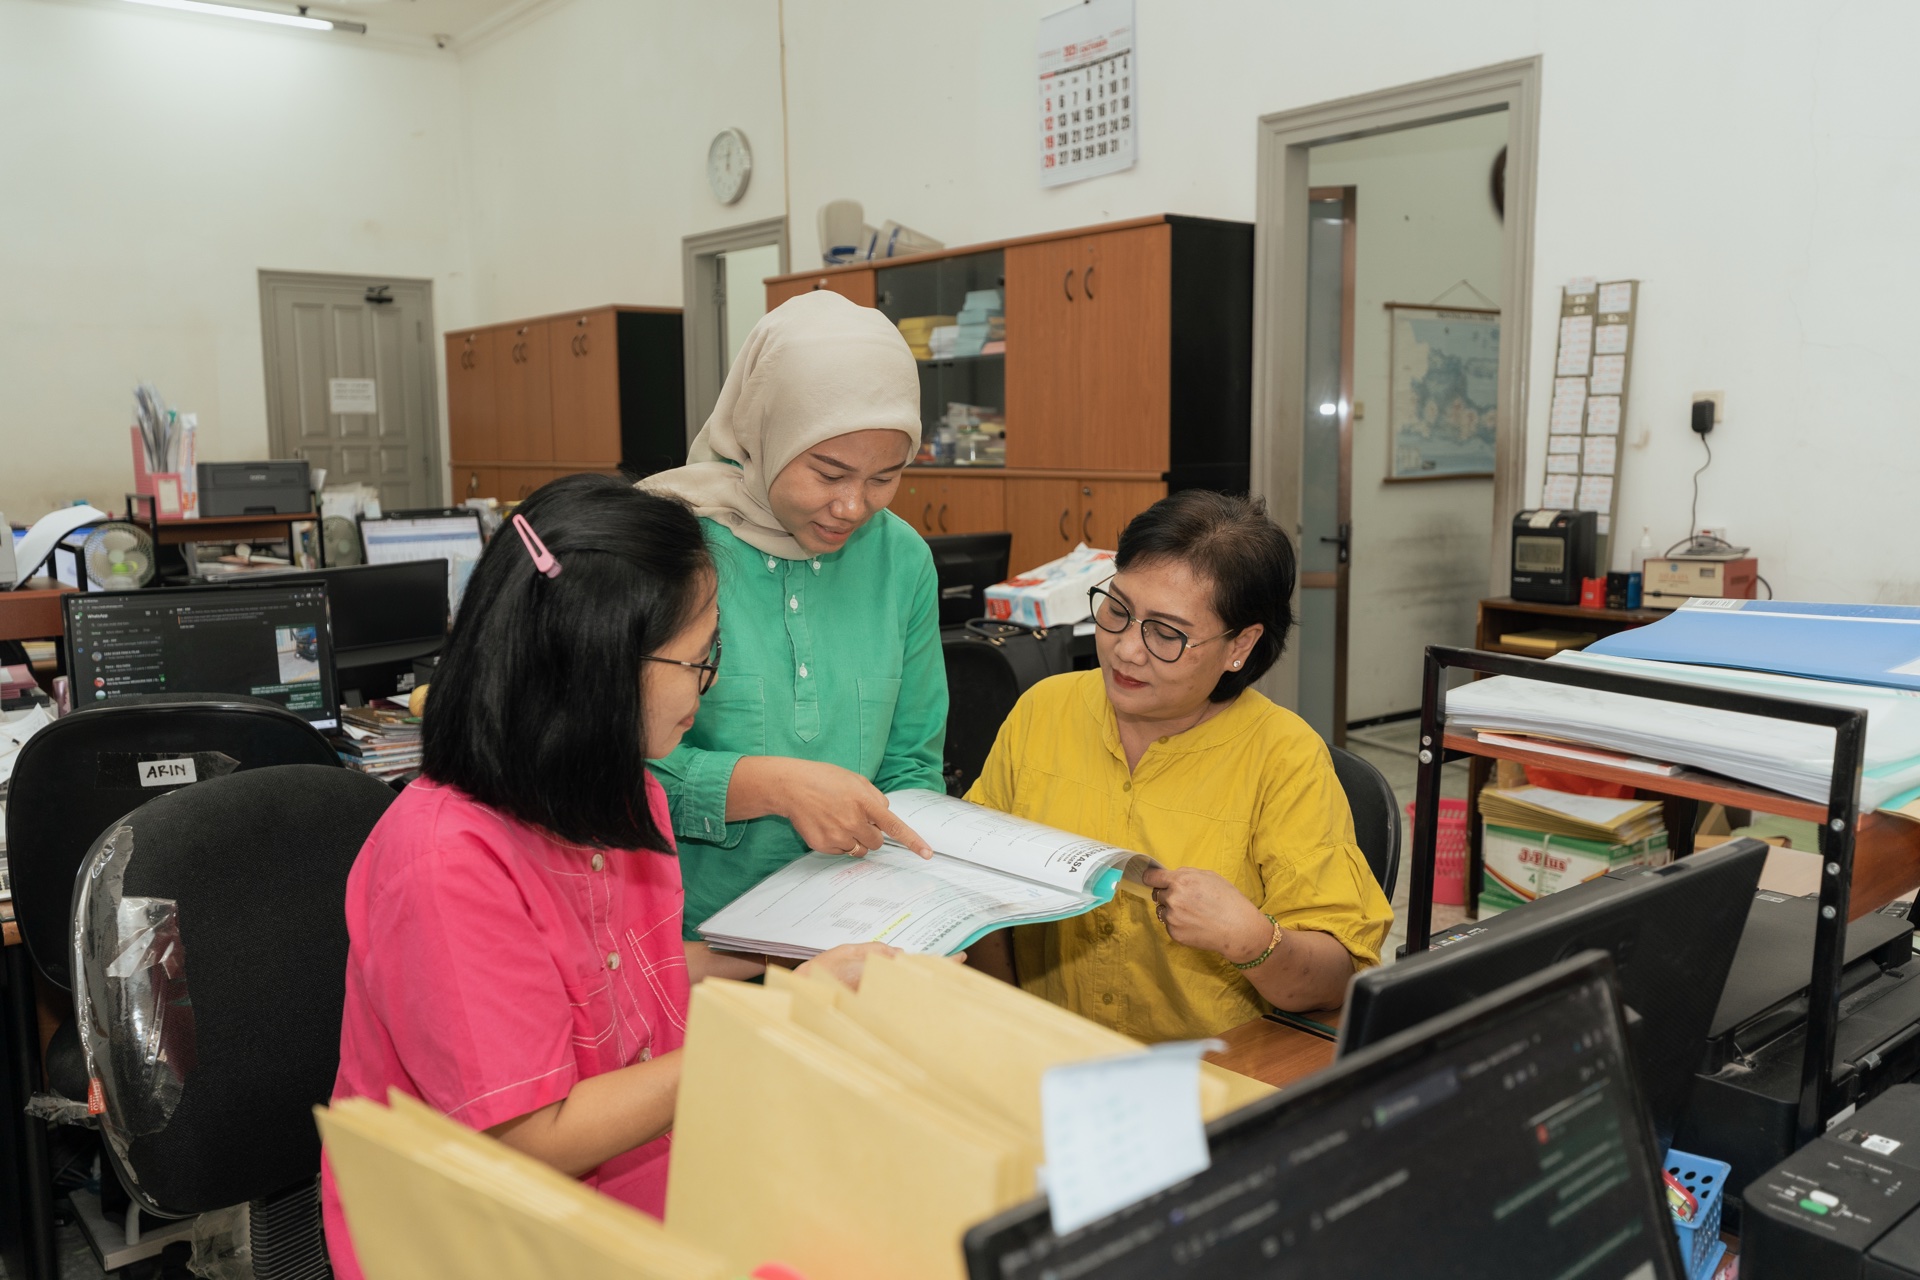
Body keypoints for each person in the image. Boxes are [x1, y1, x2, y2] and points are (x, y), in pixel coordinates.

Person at [323, 475, 896, 1279]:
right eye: (701, 658)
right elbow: (530, 1132)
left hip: (628, 1171)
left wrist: (773, 958)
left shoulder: (620, 791)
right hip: (482, 1229)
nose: (712, 681)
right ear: (599, 668)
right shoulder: (447, 861)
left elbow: (625, 971)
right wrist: (778, 1026)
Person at [965, 490, 1393, 1042]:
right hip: (1050, 1049)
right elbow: (977, 885)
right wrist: (1009, 1026)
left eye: (1166, 633)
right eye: (1116, 609)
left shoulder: (1283, 758)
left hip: (1215, 1073)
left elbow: (1335, 982)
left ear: (1241, 645)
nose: (1125, 650)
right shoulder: (1044, 711)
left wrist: (1252, 941)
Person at [642, 290, 948, 958]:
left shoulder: (901, 561)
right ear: (763, 430)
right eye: (827, 472)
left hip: (850, 935)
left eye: (885, 478)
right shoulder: (663, 545)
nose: (851, 505)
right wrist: (773, 786)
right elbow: (593, 763)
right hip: (681, 947)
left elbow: (912, 763)